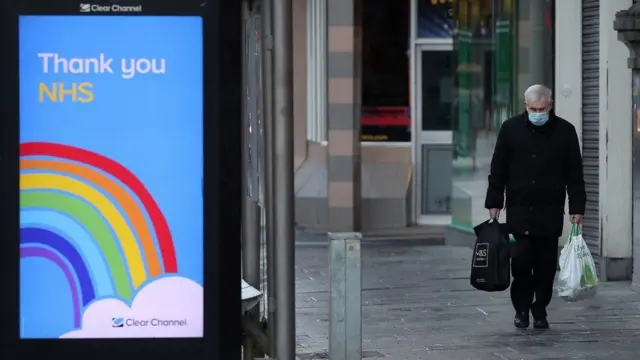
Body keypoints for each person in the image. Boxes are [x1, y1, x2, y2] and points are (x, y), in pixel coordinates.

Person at [484, 84, 586, 330]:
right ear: (525, 106)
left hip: (549, 211)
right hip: (519, 210)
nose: (537, 112)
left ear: (550, 105)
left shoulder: (565, 131)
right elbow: (498, 168)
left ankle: (540, 309)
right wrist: (495, 201)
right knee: (520, 264)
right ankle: (521, 310)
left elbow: (575, 173)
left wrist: (577, 207)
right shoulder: (510, 129)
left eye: (542, 108)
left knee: (545, 267)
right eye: (533, 109)